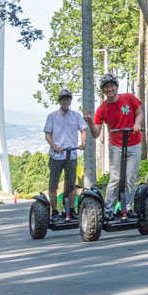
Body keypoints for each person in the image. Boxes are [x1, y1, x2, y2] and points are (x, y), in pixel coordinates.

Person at [83, 72, 143, 218]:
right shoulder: (102, 109)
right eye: (106, 87)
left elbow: (140, 113)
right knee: (115, 177)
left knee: (130, 177)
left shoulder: (128, 98)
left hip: (134, 142)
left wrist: (136, 123)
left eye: (111, 86)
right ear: (103, 90)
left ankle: (127, 207)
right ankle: (109, 209)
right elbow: (96, 133)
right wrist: (90, 122)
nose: (109, 89)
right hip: (116, 145)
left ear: (116, 86)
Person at [43, 88, 87, 221]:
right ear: (59, 101)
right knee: (53, 185)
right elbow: (47, 134)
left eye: (67, 99)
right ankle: (55, 211)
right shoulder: (52, 116)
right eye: (63, 99)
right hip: (57, 156)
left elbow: (83, 129)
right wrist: (55, 147)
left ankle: (71, 209)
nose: (65, 102)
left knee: (71, 184)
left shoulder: (76, 116)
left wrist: (83, 142)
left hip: (71, 155)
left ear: (70, 100)